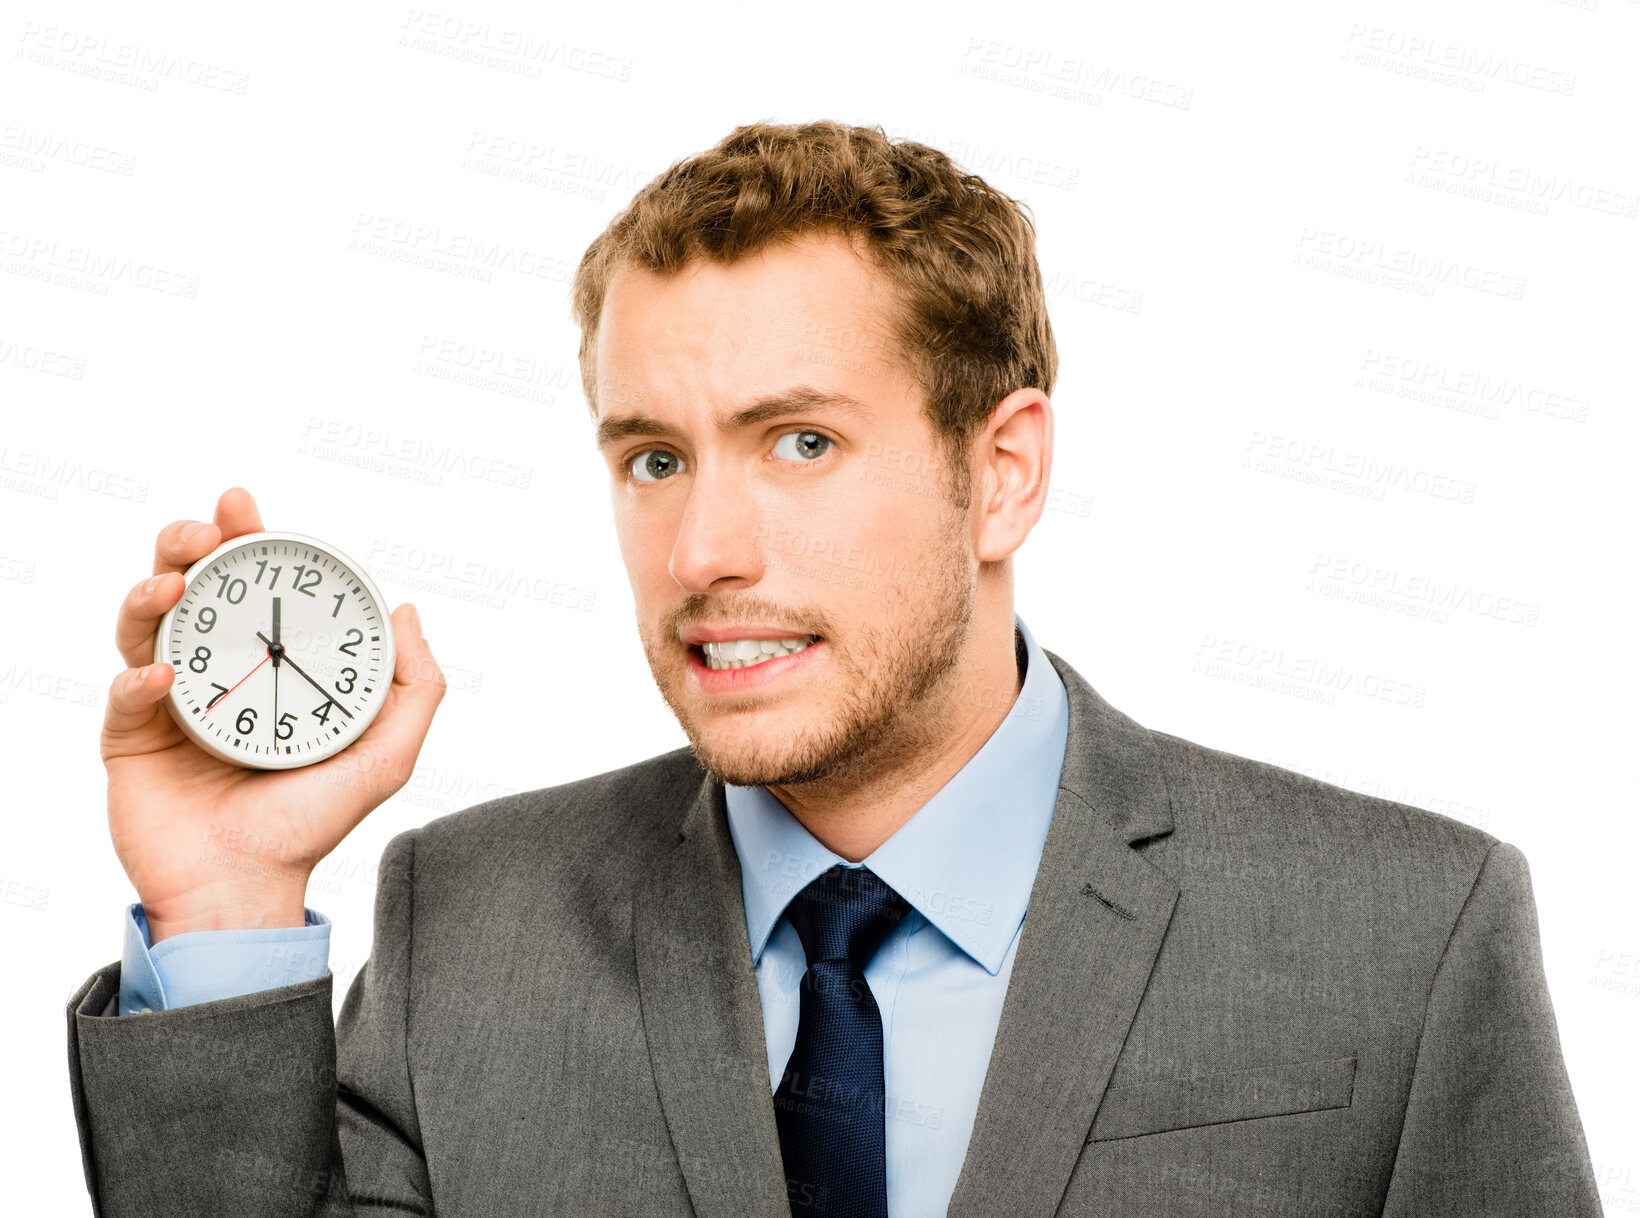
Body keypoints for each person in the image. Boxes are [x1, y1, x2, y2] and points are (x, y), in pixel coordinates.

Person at [67, 120, 1600, 1217]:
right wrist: (225, 906)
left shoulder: (1404, 933)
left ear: (1002, 473)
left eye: (801, 441)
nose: (701, 551)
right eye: (654, 457)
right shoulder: (468, 926)